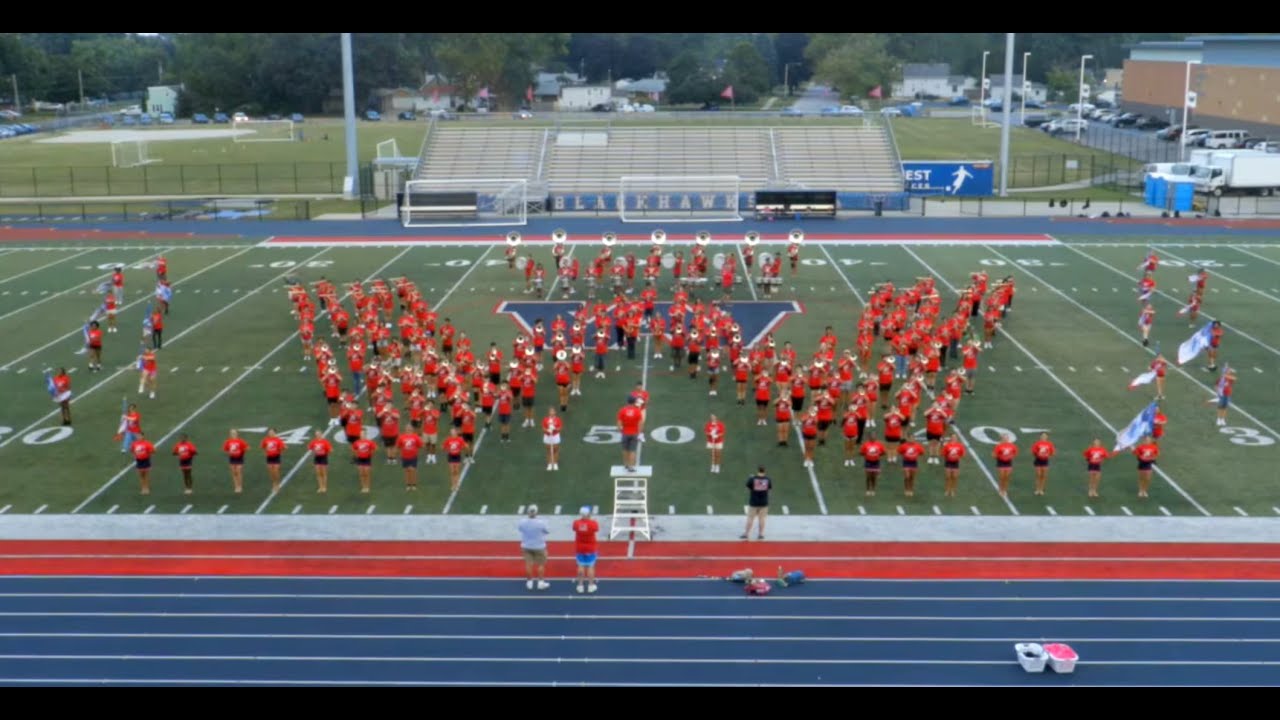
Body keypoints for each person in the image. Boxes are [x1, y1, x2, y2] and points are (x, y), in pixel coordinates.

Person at [518, 505, 551, 591]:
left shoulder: (522, 522)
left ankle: (529, 583)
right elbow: (547, 531)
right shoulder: (541, 523)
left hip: (526, 546)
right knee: (541, 564)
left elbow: (520, 529)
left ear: (528, 512)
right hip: (539, 547)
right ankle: (540, 583)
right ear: (536, 512)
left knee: (528, 564)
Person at [572, 506, 600, 594]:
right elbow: (596, 529)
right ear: (588, 514)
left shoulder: (576, 523)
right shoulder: (593, 523)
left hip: (580, 548)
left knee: (580, 566)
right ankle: (591, 586)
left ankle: (580, 586)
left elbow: (574, 528)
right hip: (590, 548)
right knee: (590, 566)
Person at [742, 466, 772, 541]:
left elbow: (747, 487)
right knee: (762, 519)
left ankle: (746, 534)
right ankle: (761, 534)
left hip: (753, 502)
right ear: (764, 471)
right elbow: (769, 489)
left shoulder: (752, 479)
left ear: (758, 471)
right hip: (764, 502)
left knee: (750, 518)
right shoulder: (767, 479)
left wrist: (750, 480)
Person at [616, 396, 642, 471]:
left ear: (627, 402)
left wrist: (619, 430)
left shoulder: (622, 410)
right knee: (632, 451)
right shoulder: (637, 411)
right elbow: (640, 423)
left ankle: (626, 464)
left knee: (625, 449)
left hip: (625, 432)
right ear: (634, 402)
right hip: (634, 433)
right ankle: (631, 466)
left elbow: (619, 422)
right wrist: (639, 433)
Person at [223, 429, 248, 493]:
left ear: (237, 434)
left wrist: (241, 453)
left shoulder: (240, 441)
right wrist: (229, 453)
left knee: (238, 471)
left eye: (234, 433)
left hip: (239, 458)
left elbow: (246, 448)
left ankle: (240, 486)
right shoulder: (228, 441)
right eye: (232, 433)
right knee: (234, 472)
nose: (233, 434)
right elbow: (225, 449)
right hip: (232, 458)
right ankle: (236, 486)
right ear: (230, 434)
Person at [1030, 432, 1055, 496]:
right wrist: (1038, 454)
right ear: (1040, 437)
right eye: (1042, 436)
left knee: (1043, 475)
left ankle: (1041, 489)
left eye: (1045, 436)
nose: (1044, 437)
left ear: (1047, 437)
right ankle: (1037, 489)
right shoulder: (1037, 443)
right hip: (1038, 460)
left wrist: (1047, 455)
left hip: (1045, 461)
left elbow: (1052, 452)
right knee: (1038, 475)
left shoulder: (1049, 444)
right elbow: (1033, 451)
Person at [941, 433, 966, 497]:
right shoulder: (947, 445)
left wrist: (958, 457)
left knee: (954, 477)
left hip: (955, 463)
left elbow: (963, 454)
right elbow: (943, 454)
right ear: (950, 438)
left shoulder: (960, 445)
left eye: (955, 437)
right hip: (948, 462)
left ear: (957, 438)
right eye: (952, 437)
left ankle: (952, 490)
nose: (954, 438)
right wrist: (948, 456)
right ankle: (947, 490)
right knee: (948, 477)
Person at [261, 428, 286, 494]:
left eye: (272, 432)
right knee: (271, 471)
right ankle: (274, 483)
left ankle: (277, 484)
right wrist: (266, 451)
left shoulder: (278, 440)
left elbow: (284, 447)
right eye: (270, 432)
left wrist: (281, 450)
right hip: (269, 457)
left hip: (276, 457)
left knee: (276, 471)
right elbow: (263, 446)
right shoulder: (266, 440)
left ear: (275, 433)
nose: (271, 433)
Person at [542, 407, 562, 471]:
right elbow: (543, 428)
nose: (552, 412)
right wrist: (548, 430)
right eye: (550, 411)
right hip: (547, 436)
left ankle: (555, 463)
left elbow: (560, 428)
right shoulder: (545, 419)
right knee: (548, 451)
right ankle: (549, 464)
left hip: (555, 436)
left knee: (555, 450)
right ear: (548, 412)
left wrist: (554, 429)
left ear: (555, 412)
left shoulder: (558, 419)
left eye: (553, 411)